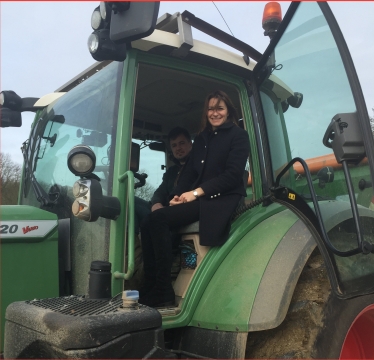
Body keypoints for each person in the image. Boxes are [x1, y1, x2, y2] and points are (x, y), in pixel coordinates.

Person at [139, 90, 250, 307]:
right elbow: (189, 172)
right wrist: (177, 196)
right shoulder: (201, 138)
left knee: (159, 220)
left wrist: (196, 192)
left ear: (228, 111)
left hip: (221, 200)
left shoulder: (238, 136)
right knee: (148, 221)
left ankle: (164, 290)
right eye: (211, 109)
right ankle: (150, 285)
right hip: (200, 199)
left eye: (220, 108)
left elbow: (232, 176)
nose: (215, 113)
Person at [133, 127, 192, 234]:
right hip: (162, 210)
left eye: (181, 143)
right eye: (174, 145)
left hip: (176, 212)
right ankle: (134, 244)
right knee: (129, 201)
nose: (178, 148)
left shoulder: (195, 167)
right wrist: (156, 203)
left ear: (190, 144)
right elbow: (160, 191)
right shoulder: (171, 172)